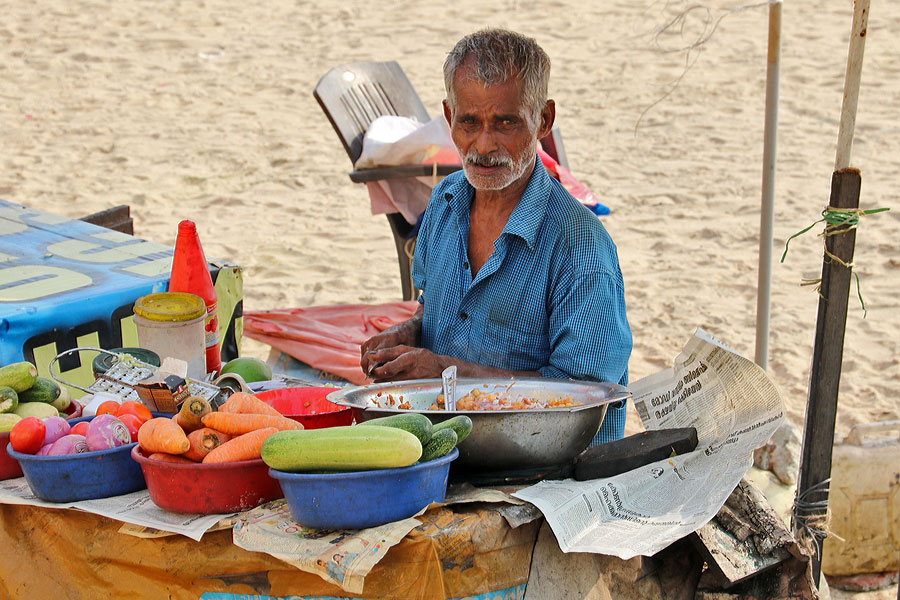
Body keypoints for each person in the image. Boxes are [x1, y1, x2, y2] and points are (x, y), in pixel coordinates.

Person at [360, 29, 632, 444]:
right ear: (449, 118)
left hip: (549, 474)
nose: (484, 145)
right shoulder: (446, 201)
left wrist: (447, 376)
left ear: (543, 120)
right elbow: (434, 307)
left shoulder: (581, 249)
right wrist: (410, 333)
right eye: (469, 122)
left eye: (505, 123)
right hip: (453, 449)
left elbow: (584, 399)